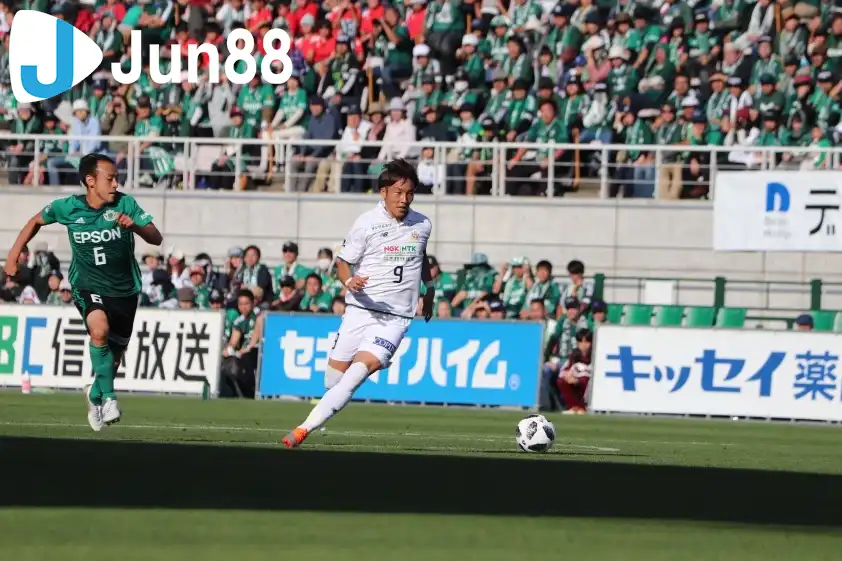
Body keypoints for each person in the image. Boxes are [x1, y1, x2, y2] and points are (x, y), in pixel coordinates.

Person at [2, 153, 163, 431]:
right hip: (87, 285)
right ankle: (109, 398)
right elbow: (35, 221)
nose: (116, 184)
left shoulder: (125, 203)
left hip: (124, 290)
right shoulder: (67, 207)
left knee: (113, 359)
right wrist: (13, 255)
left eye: (116, 179)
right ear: (91, 181)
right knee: (99, 330)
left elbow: (156, 237)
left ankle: (95, 393)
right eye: (110, 179)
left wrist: (135, 226)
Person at [282, 159, 434, 448]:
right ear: (384, 192)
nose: (404, 199)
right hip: (359, 311)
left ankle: (303, 429)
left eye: (410, 193)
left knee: (356, 376)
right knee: (332, 381)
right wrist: (349, 281)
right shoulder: (366, 223)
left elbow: (421, 256)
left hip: (395, 319)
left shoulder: (423, 224)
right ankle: (325, 409)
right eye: (398, 192)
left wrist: (430, 290)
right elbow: (343, 262)